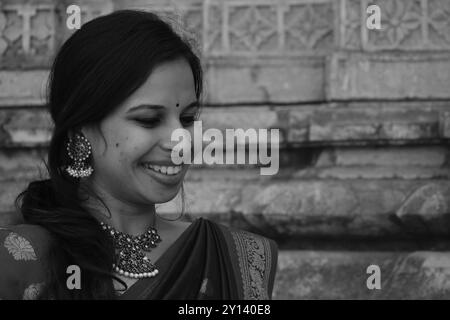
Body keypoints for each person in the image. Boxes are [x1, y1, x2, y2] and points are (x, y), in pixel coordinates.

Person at [0, 10, 278, 300]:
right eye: (148, 120)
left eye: (187, 118)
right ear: (80, 132)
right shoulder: (18, 260)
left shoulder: (236, 258)